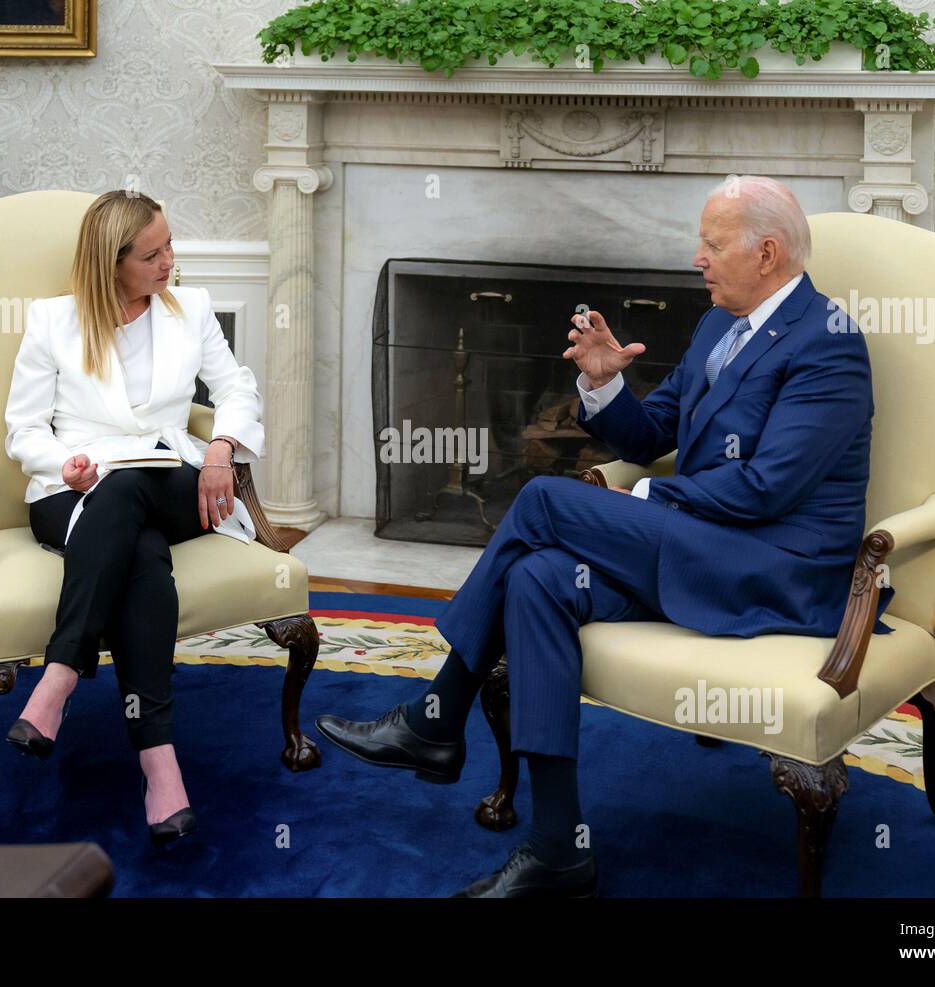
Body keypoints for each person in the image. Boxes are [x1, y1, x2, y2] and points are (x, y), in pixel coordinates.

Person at [315, 175, 895, 896]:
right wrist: (603, 386)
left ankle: (437, 717)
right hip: (699, 544)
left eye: (712, 245)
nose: (697, 259)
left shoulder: (829, 344)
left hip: (774, 565)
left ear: (768, 252)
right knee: (536, 580)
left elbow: (767, 488)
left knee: (542, 502)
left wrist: (650, 498)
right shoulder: (719, 325)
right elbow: (654, 432)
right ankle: (559, 847)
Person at [2, 190, 264, 846]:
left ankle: (61, 672)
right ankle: (161, 766)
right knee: (142, 555)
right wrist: (65, 465)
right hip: (73, 487)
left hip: (170, 480)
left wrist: (223, 447)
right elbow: (22, 428)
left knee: (128, 493)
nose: (170, 260)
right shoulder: (53, 321)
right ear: (111, 262)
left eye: (170, 244)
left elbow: (236, 387)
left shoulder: (191, 309)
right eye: (153, 253)